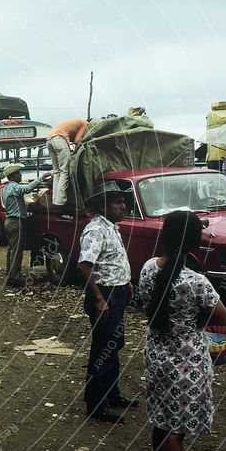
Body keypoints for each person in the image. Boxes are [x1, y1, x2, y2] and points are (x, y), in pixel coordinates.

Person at [138, 211, 226, 451]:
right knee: (177, 427)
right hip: (186, 359)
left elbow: (145, 304)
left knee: (161, 420)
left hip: (157, 353)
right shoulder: (195, 281)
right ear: (194, 242)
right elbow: (221, 316)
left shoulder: (149, 268)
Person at [76, 181, 138, 424]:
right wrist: (99, 298)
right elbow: (84, 266)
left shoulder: (113, 227)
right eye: (117, 202)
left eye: (123, 202)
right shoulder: (95, 230)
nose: (123, 206)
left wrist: (126, 282)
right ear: (104, 206)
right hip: (105, 295)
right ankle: (96, 403)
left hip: (118, 292)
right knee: (102, 349)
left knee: (114, 345)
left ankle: (112, 394)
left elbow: (113, 260)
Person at [1, 164, 51, 286]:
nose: (21, 175)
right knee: (17, 251)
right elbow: (27, 189)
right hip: (15, 221)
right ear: (13, 176)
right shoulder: (15, 188)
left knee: (12, 250)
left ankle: (10, 275)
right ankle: (15, 278)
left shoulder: (6, 188)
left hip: (9, 221)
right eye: (18, 173)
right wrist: (41, 178)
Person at [46, 118, 89, 205]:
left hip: (49, 140)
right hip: (59, 139)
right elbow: (78, 141)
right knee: (65, 171)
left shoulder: (77, 122)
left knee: (57, 172)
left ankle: (55, 200)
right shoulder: (85, 124)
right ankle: (60, 201)